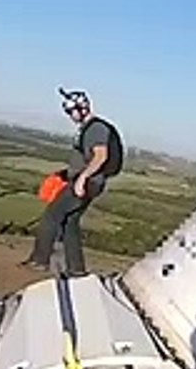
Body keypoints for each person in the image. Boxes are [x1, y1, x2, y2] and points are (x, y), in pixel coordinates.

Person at [21, 87, 124, 276]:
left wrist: (82, 179)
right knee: (70, 221)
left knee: (52, 215)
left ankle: (39, 260)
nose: (70, 115)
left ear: (82, 108)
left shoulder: (95, 128)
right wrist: (65, 175)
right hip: (88, 181)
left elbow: (100, 156)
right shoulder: (91, 128)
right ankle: (76, 269)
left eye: (71, 111)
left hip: (87, 182)